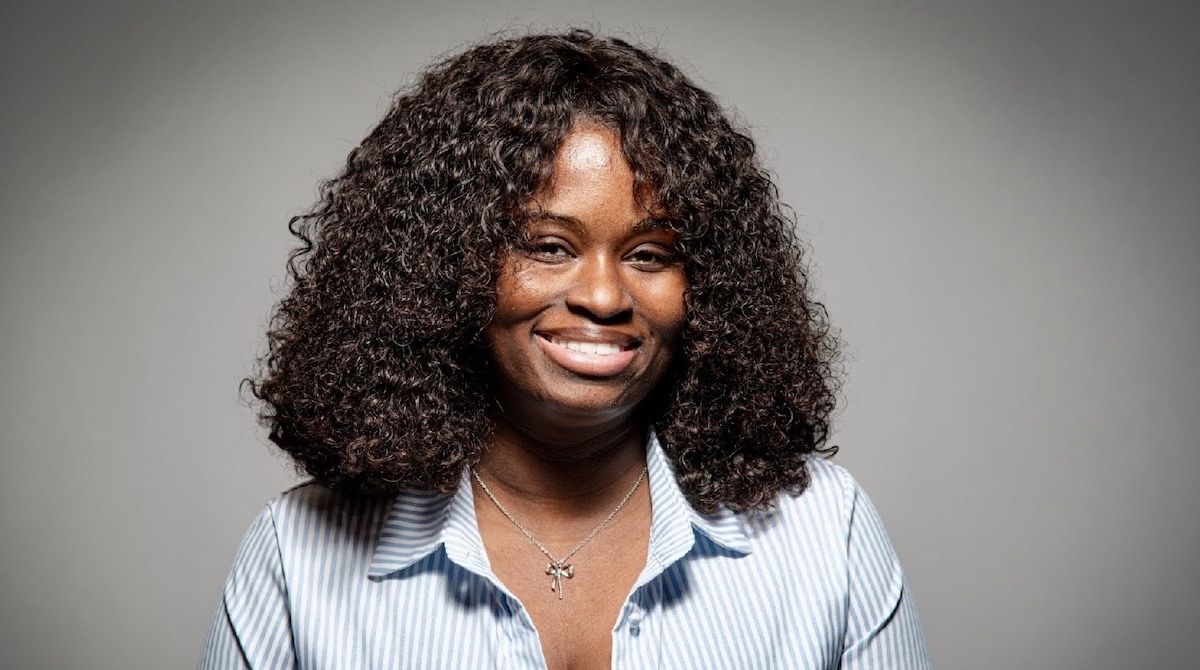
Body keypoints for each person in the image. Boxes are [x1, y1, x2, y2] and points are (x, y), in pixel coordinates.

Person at [200, 29, 931, 669]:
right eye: (549, 246)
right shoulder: (295, 556)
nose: (605, 297)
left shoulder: (825, 534)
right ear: (440, 267)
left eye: (650, 254)